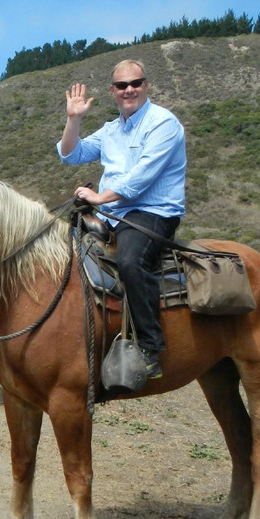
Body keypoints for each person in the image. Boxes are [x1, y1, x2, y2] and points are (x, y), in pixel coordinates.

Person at [56, 59, 186, 379]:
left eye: (136, 83)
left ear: (146, 85)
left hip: (152, 213)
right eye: (121, 85)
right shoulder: (112, 130)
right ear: (112, 91)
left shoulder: (163, 123)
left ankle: (150, 348)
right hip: (112, 214)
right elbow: (71, 154)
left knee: (130, 262)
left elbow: (141, 177)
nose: (129, 90)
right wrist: (73, 120)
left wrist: (99, 198)